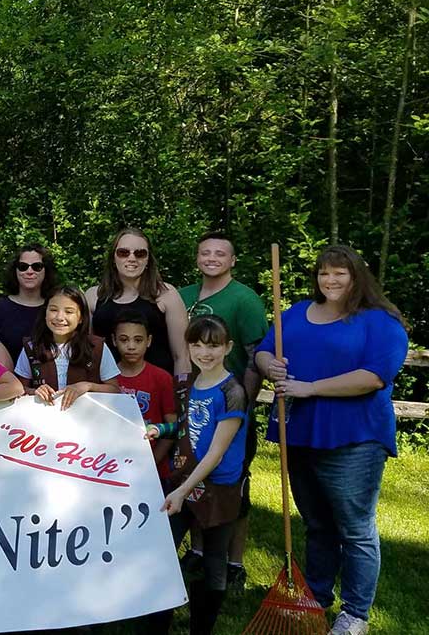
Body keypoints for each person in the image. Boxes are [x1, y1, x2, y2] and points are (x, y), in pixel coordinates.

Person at [255, 245, 408, 635]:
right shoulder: (295, 314)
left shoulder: (379, 322)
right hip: (300, 432)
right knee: (318, 524)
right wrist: (267, 364)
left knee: (355, 529)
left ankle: (355, 613)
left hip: (353, 438)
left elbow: (375, 376)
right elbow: (262, 350)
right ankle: (318, 597)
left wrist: (311, 388)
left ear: (357, 276)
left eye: (340, 273)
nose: (331, 280)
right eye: (324, 273)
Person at [145, 315, 247, 635]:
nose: (204, 352)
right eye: (197, 344)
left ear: (227, 348)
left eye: (213, 346)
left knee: (215, 562)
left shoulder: (233, 392)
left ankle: (201, 628)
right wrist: (159, 428)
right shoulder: (189, 383)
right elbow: (185, 426)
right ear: (188, 346)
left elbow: (216, 453)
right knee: (163, 552)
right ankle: (157, 623)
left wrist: (182, 491)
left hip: (218, 488)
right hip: (184, 481)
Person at [178, 232, 268, 588]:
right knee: (198, 479)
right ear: (197, 257)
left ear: (232, 260)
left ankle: (234, 561)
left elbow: (254, 358)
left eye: (221, 253)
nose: (212, 258)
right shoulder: (183, 296)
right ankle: (199, 551)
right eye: (205, 252)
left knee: (233, 485)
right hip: (194, 399)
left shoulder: (244, 299)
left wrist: (240, 403)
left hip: (228, 404)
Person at [86, 227, 190, 375]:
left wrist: (181, 393)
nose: (132, 258)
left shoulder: (166, 294)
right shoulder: (93, 296)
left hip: (157, 389)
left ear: (148, 259)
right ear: (113, 258)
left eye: (140, 253)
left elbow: (182, 356)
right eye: (123, 252)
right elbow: (86, 353)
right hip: (108, 391)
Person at [17, 285, 121, 409]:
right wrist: (35, 392)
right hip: (43, 418)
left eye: (69, 311)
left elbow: (114, 390)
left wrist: (88, 386)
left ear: (81, 317)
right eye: (54, 310)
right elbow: (19, 389)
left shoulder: (97, 347)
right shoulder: (32, 347)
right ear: (45, 313)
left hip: (86, 419)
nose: (60, 317)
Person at [114, 309, 177, 482]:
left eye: (138, 340)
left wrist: (152, 462)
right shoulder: (107, 378)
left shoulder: (162, 378)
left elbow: (172, 427)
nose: (131, 346)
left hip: (155, 470)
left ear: (148, 341)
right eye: (124, 340)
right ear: (114, 340)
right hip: (112, 466)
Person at [0, 243, 58, 364]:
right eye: (23, 266)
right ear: (15, 270)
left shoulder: (55, 308)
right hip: (5, 379)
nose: (29, 271)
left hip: (50, 380)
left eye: (37, 266)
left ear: (46, 270)